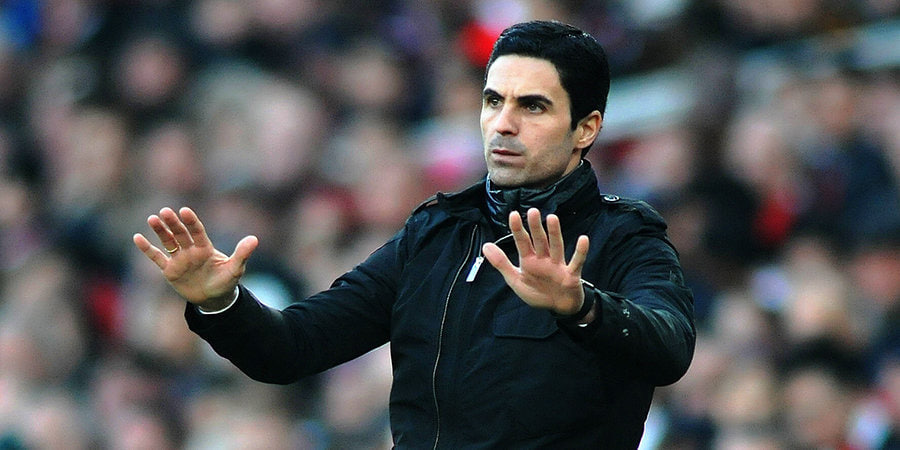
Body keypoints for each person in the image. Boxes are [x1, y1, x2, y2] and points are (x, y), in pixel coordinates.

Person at [133, 20, 696, 449]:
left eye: (533, 106)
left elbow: (670, 348)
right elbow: (292, 349)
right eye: (493, 100)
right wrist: (221, 303)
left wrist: (582, 306)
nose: (503, 123)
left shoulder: (623, 237)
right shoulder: (433, 235)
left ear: (586, 128)